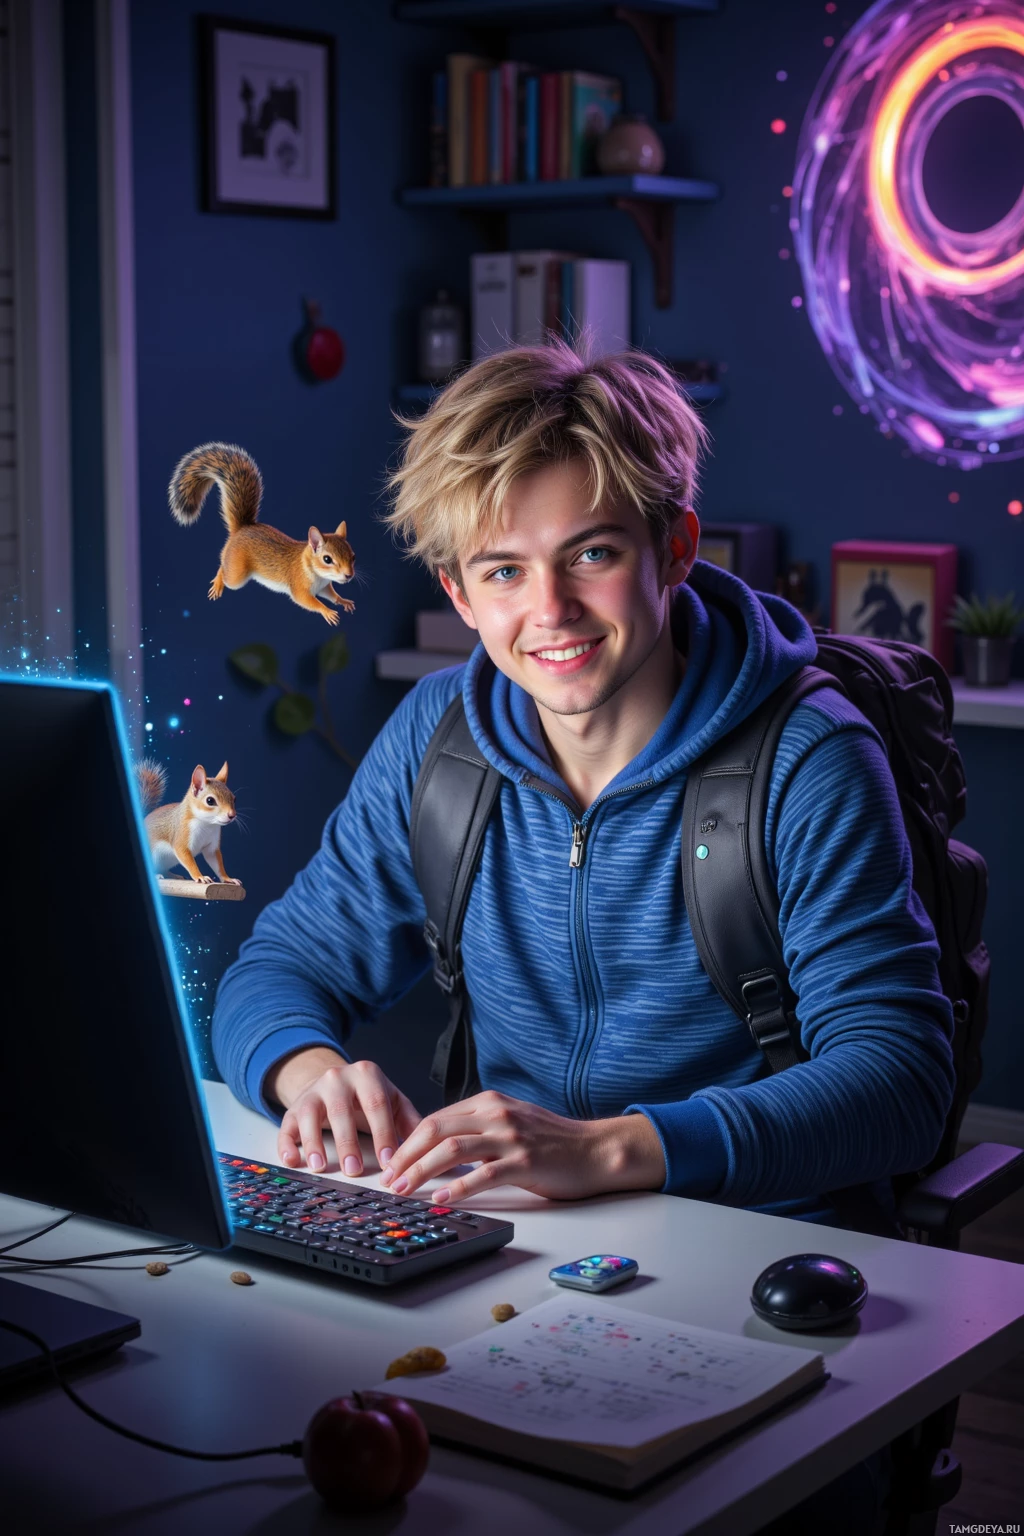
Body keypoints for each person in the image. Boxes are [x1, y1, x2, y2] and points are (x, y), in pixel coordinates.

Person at [212, 340, 955, 1531]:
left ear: (675, 548)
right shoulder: (437, 740)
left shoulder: (807, 758)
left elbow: (900, 1079)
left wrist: (610, 1150)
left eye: (592, 554)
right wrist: (307, 1070)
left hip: (758, 1269)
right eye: (502, 570)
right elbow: (281, 966)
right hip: (511, 1263)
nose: (547, 612)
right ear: (459, 594)